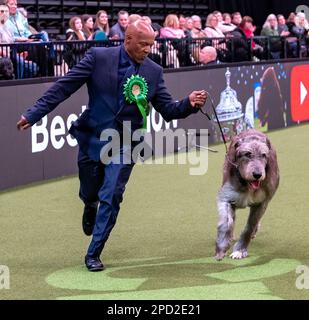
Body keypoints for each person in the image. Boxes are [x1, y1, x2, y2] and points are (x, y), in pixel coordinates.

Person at [16, 20, 207, 272]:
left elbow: (168, 110)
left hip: (127, 141)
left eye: (151, 44)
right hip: (93, 136)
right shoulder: (97, 57)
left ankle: (94, 252)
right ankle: (88, 203)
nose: (148, 49)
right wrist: (33, 114)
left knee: (112, 194)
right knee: (90, 190)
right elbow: (63, 87)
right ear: (127, 40)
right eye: (143, 44)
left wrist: (189, 103)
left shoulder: (153, 71)